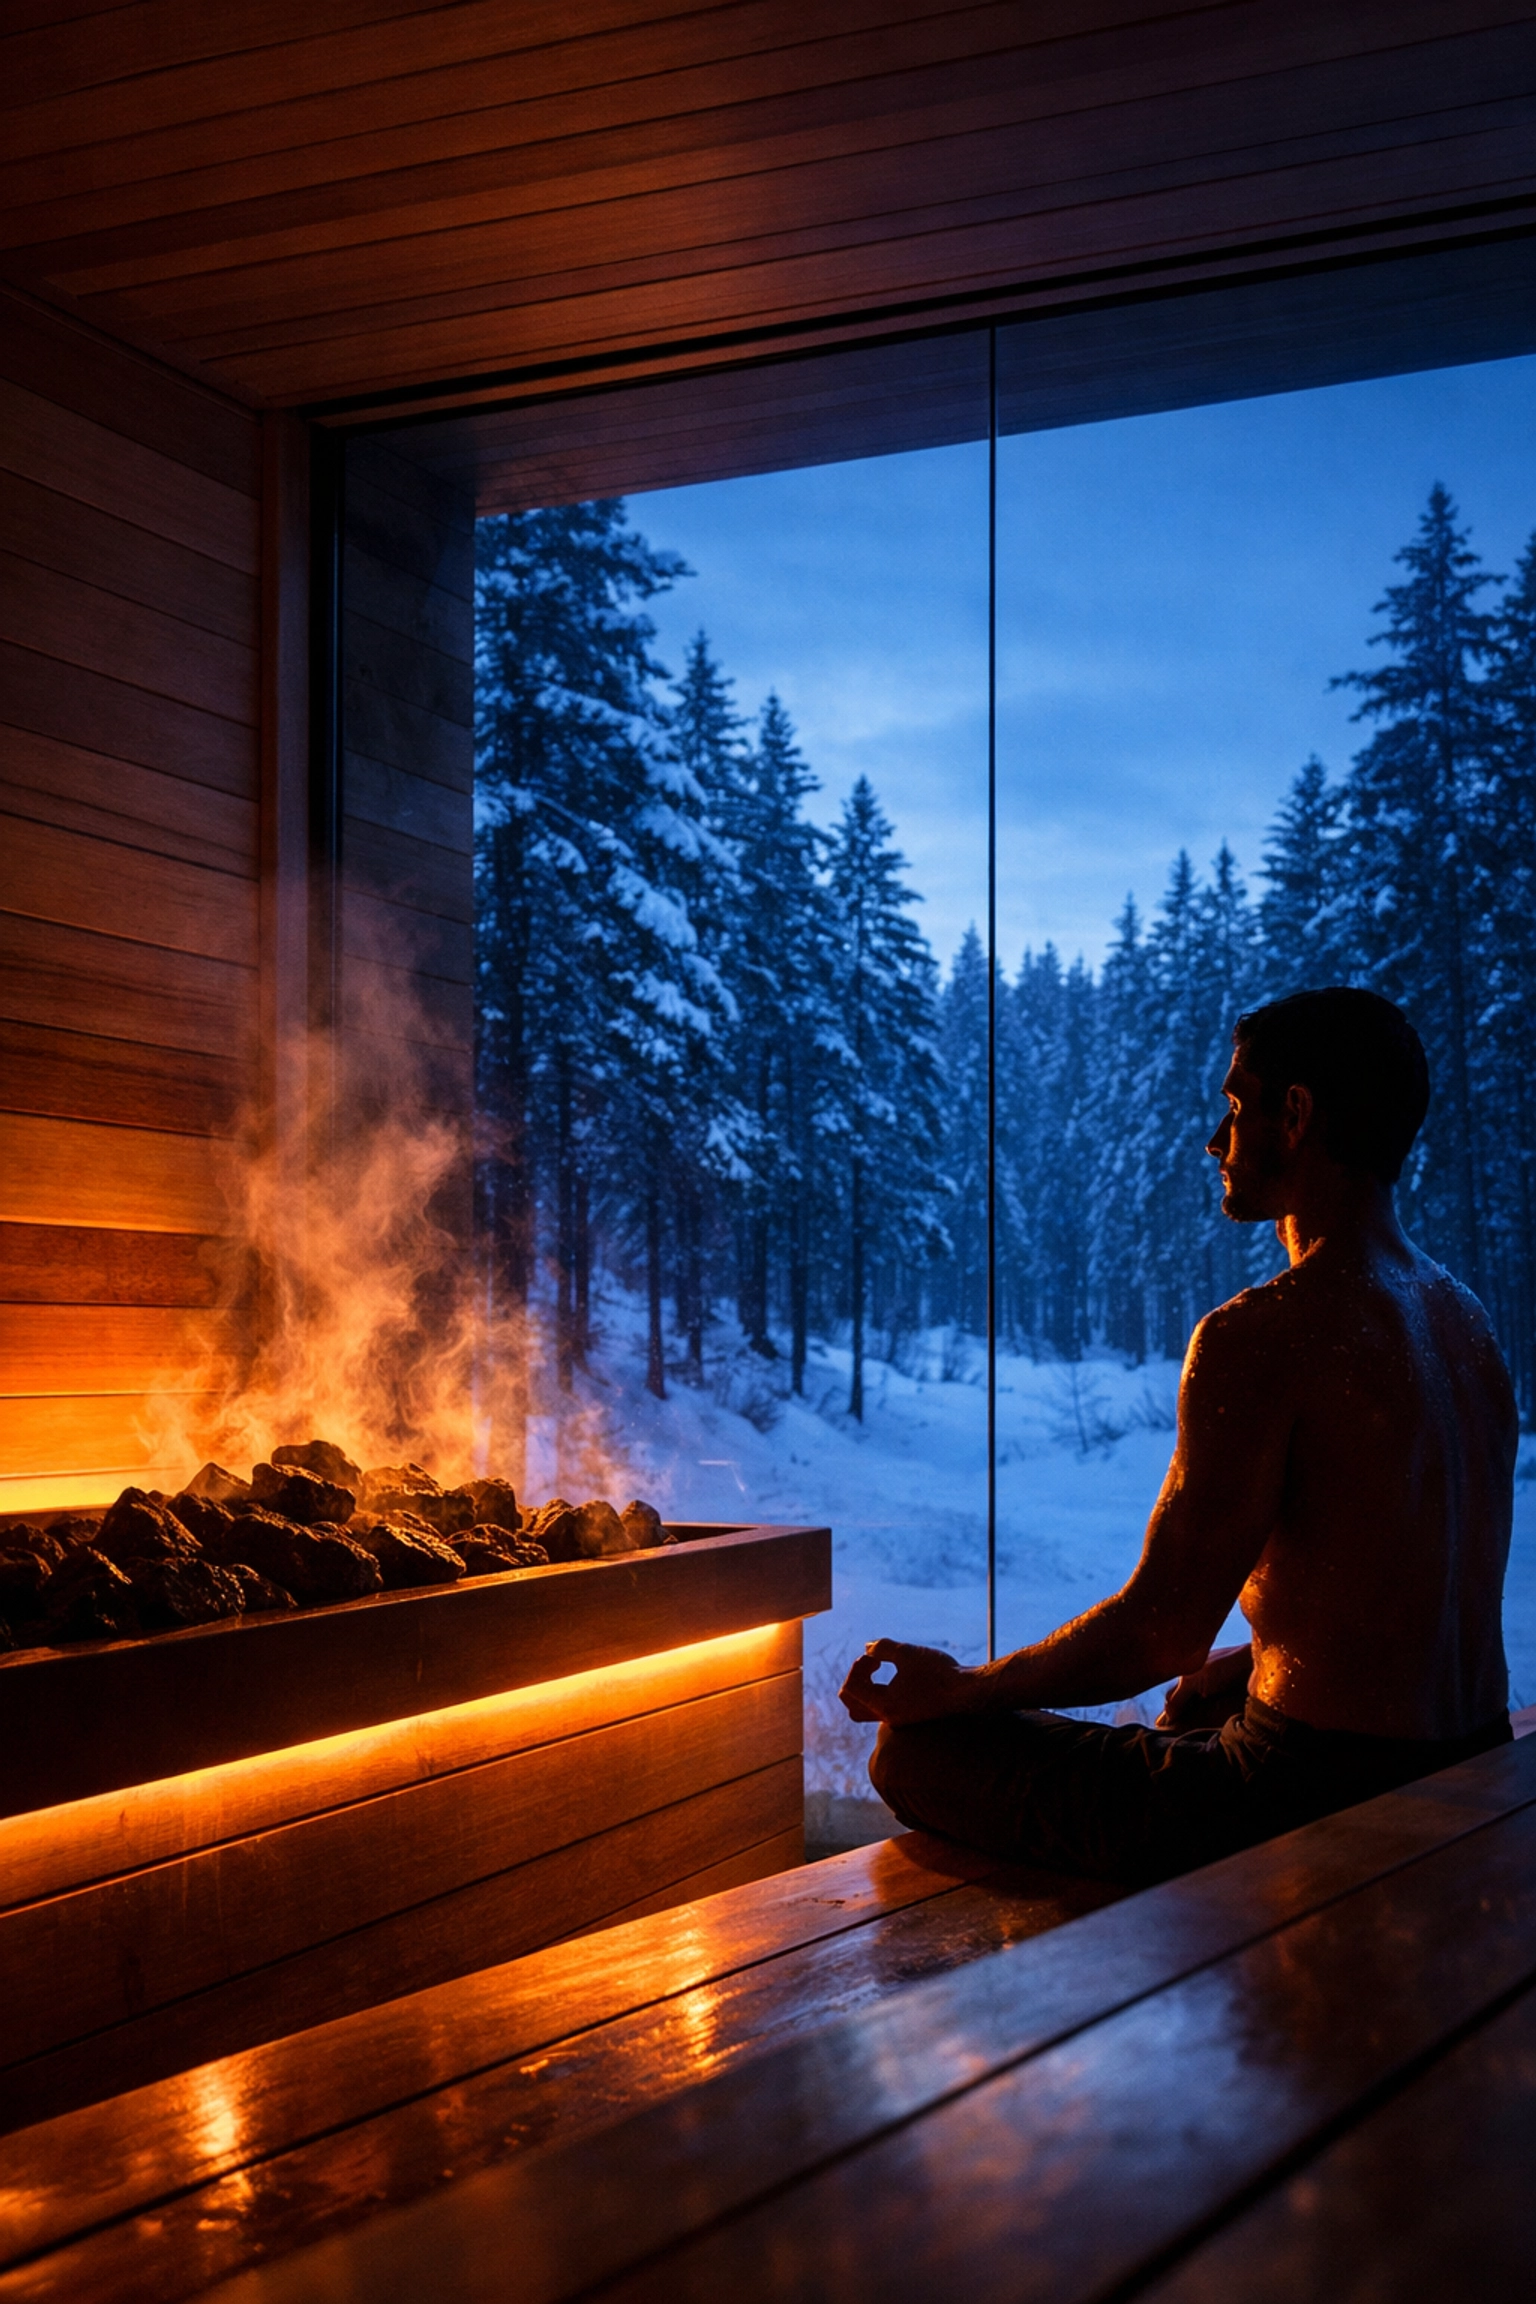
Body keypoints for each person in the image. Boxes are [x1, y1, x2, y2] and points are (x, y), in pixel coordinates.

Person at [841, 987, 1516, 1887]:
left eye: (1237, 1106)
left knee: (915, 1755)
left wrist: (961, 1689)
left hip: (1306, 1797)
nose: (1215, 1138)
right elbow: (1397, 1601)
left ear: (1297, 1115)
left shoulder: (1265, 1333)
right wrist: (1245, 1668)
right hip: (1472, 1757)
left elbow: (1156, 1634)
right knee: (1200, 1698)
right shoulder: (1465, 1325)